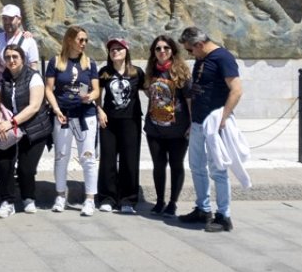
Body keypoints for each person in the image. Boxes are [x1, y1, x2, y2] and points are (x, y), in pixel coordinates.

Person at [179, 26, 243, 233]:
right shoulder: (202, 59)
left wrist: (224, 117)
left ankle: (224, 215)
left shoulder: (223, 58)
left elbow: (236, 90)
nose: (190, 54)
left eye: (190, 50)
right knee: (196, 166)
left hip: (215, 122)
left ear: (199, 44)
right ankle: (203, 209)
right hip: (198, 122)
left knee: (218, 169)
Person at [44, 26, 100, 216]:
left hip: (85, 114)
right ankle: (60, 195)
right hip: (63, 114)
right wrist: (56, 109)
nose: (84, 43)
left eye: (86, 40)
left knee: (88, 156)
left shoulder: (89, 63)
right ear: (69, 40)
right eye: (80, 40)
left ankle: (90, 199)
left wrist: (90, 96)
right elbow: (49, 89)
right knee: (61, 155)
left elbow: (96, 89)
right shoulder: (56, 62)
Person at [0, 45, 47, 218]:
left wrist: (11, 123)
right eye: (7, 57)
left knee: (26, 168)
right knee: (4, 163)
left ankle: (28, 197)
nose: (11, 60)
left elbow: (34, 106)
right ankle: (7, 201)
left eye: (15, 56)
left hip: (33, 127)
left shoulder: (34, 77)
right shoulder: (1, 78)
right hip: (8, 127)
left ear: (22, 58)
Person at [143, 34, 190, 217]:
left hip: (178, 129)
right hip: (155, 128)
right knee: (158, 165)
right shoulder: (150, 71)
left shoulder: (181, 72)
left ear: (172, 50)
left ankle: (172, 203)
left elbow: (189, 100)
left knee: (176, 165)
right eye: (158, 48)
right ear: (153, 52)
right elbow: (149, 92)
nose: (162, 51)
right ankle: (160, 201)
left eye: (166, 48)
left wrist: (192, 124)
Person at [97, 38, 143, 214]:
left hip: (131, 121)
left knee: (129, 160)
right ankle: (107, 197)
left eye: (119, 48)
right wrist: (99, 110)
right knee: (107, 159)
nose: (115, 51)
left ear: (126, 51)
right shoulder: (104, 72)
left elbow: (149, 91)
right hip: (109, 122)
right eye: (112, 49)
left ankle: (128, 199)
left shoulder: (136, 72)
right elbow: (97, 93)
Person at [0, 4, 41, 71]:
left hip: (21, 77)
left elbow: (33, 66)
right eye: (5, 18)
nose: (7, 22)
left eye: (11, 19)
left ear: (19, 20)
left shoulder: (28, 41)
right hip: (2, 77)